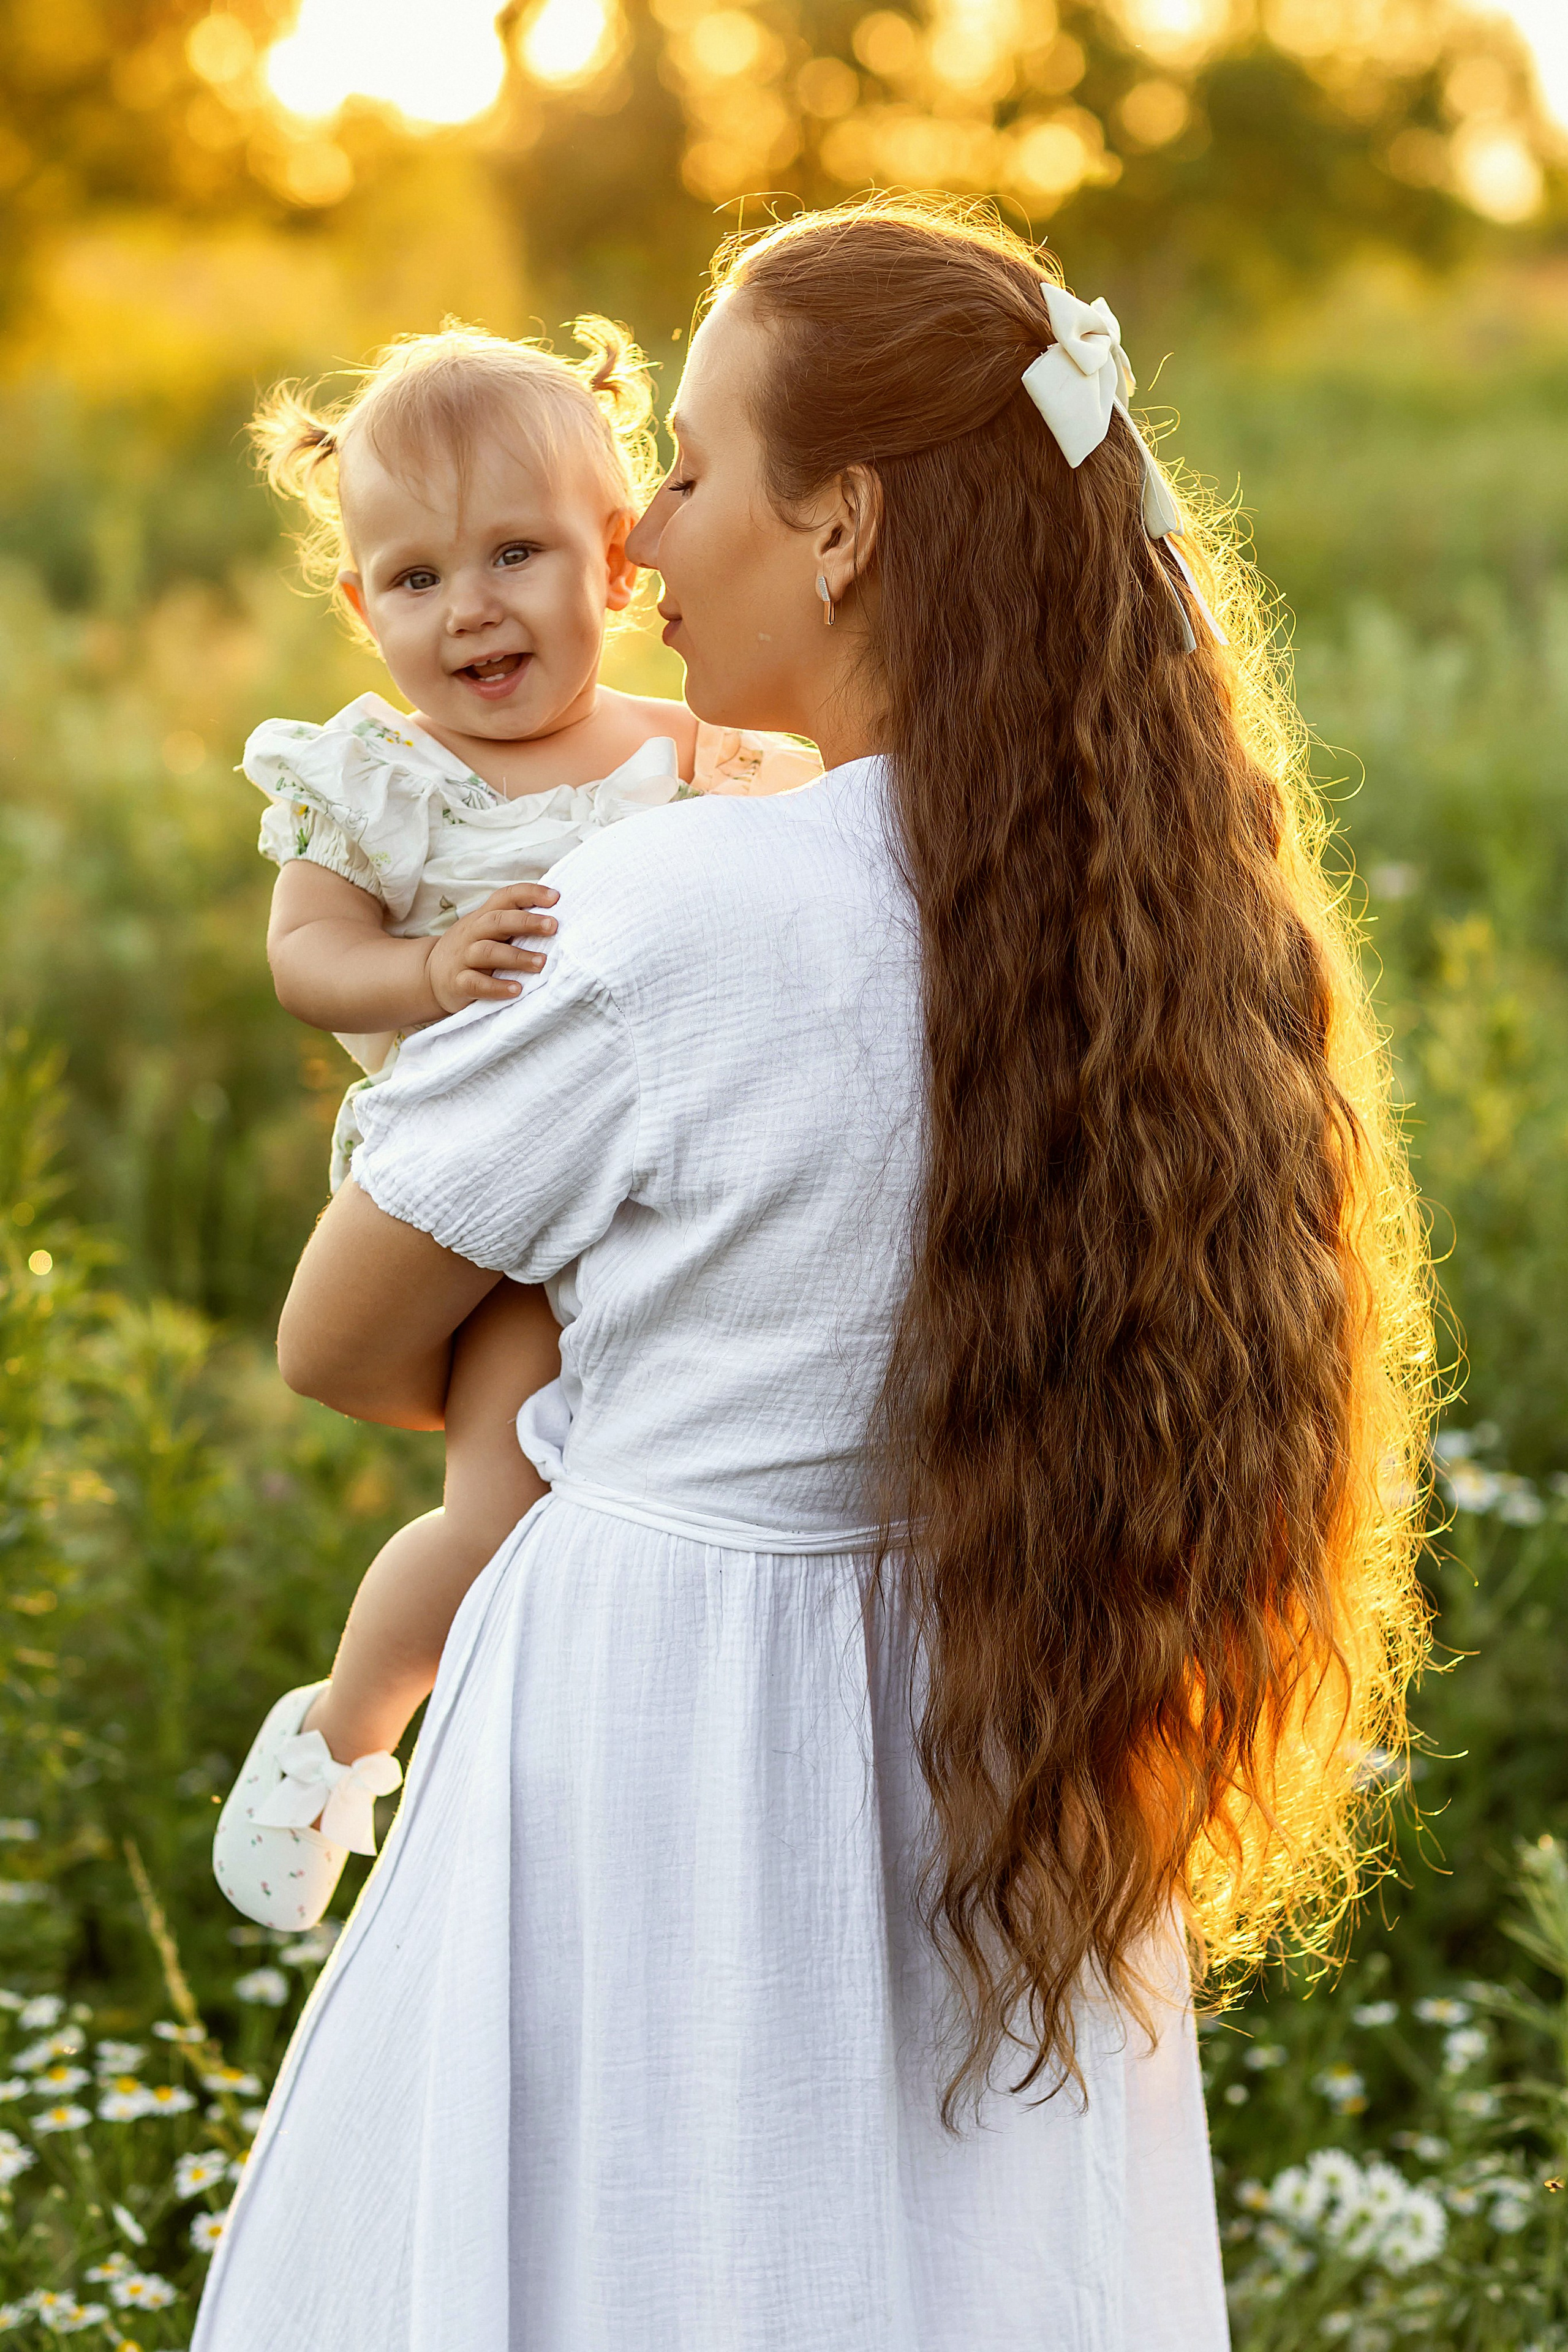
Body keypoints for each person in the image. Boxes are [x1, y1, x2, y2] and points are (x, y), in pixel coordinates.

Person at [193, 198, 1431, 2351]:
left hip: (667, 1724)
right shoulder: (1139, 904)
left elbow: (334, 1339)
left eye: (679, 466)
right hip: (1001, 1743)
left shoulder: (684, 908)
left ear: (842, 522)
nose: (640, 542)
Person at [212, 321, 817, 1932]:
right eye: (413, 579)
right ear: (363, 611)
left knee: (655, 1484)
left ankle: (608, 1783)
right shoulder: (384, 781)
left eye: (517, 554)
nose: (469, 605)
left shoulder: (695, 755)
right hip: (477, 1208)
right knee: (500, 1509)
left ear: (616, 566)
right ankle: (345, 1737)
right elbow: (301, 961)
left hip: (666, 1188)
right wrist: (419, 967)